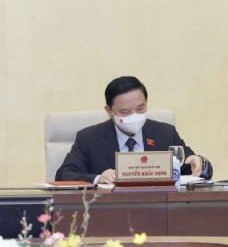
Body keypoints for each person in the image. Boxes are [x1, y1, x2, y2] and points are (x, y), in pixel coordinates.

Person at [55, 76, 212, 184]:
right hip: (109, 213)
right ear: (109, 111)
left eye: (140, 108)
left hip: (158, 210)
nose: (135, 116)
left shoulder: (164, 133)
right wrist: (97, 178)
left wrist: (200, 163)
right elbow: (64, 175)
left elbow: (194, 167)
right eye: (125, 112)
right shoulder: (89, 138)